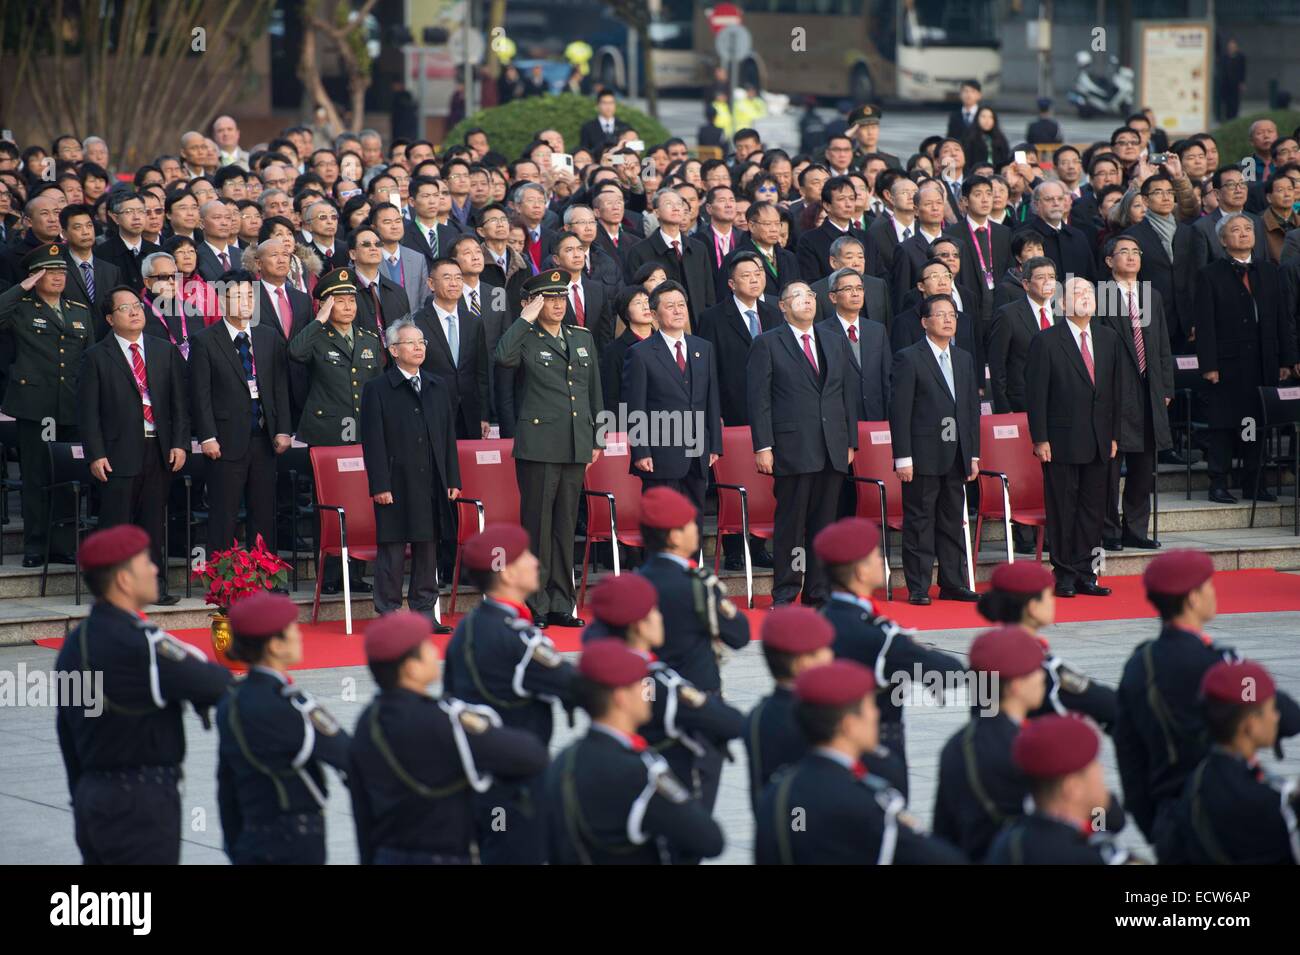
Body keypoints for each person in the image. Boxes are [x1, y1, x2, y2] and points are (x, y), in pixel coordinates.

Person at [55, 525, 231, 864]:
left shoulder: (74, 646)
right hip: (140, 803)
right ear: (123, 580)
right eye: (145, 563)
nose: (154, 569)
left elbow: (68, 733)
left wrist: (83, 796)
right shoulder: (140, 644)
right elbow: (214, 681)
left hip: (92, 798)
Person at [1115, 549, 1300, 846]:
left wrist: (1156, 828)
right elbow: (1287, 717)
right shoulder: (1221, 665)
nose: (1214, 594)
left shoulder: (1138, 665)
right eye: (1208, 586)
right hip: (1229, 811)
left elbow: (1129, 756)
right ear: (1192, 599)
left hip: (1170, 821)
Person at [349, 611, 549, 865]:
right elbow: (531, 755)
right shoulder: (444, 720)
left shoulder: (367, 723)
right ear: (411, 668)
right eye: (426, 648)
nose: (435, 653)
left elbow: (362, 812)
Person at [443, 525, 579, 864]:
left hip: (478, 781)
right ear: (505, 573)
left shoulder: (467, 628)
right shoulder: (516, 638)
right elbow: (576, 685)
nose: (536, 562)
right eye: (527, 557)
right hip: (516, 785)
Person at [755, 659, 966, 864]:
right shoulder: (868, 804)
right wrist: (912, 829)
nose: (875, 714)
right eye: (869, 707)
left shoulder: (777, 792)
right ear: (849, 725)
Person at [582, 573, 744, 831]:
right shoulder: (659, 682)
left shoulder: (596, 672)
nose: (660, 618)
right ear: (639, 626)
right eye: (654, 613)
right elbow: (732, 723)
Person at [816, 517, 964, 794]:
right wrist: (913, 648)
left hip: (827, 750)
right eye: (876, 556)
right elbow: (951, 673)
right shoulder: (876, 634)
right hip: (876, 750)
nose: (880, 561)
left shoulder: (821, 620)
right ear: (860, 572)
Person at [545, 639, 724, 864]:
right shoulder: (643, 772)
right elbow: (709, 840)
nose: (646, 691)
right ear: (621, 697)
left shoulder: (562, 763)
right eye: (640, 684)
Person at [493, 270, 603, 627]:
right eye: (549, 298)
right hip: (539, 446)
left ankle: (561, 601)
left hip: (575, 443)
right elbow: (502, 358)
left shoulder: (581, 337)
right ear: (534, 302)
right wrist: (524, 319)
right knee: (537, 525)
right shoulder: (524, 337)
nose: (557, 304)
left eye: (561, 297)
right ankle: (535, 603)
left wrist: (597, 437)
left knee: (565, 526)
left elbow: (594, 392)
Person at [216, 593, 351, 864]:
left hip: (251, 837)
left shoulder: (229, 702)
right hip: (294, 841)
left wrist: (235, 847)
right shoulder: (292, 706)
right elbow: (348, 755)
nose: (299, 635)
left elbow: (226, 788)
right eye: (292, 630)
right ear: (275, 646)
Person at [748, 281, 858, 607]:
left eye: (810, 295)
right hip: (792, 448)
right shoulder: (767, 343)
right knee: (792, 528)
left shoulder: (834, 341)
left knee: (824, 526)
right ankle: (786, 590)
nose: (807, 301)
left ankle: (818, 590)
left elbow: (847, 395)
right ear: (782, 306)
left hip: (832, 447)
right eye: (798, 296)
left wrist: (850, 441)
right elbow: (759, 400)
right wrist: (763, 445)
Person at [78, 286, 188, 605]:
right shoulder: (97, 356)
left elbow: (179, 404)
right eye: (125, 308)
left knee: (153, 522)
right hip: (117, 451)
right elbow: (88, 412)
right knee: (117, 525)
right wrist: (95, 454)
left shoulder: (163, 350)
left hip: (158, 447)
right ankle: (112, 591)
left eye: (137, 305)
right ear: (111, 319)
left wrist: (180, 443)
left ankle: (155, 586)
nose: (135, 311)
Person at [360, 317, 460, 627]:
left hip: (430, 480)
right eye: (410, 343)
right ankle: (388, 612)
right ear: (392, 350)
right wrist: (379, 484)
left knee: (427, 546)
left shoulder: (437, 385)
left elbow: (447, 438)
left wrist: (452, 479)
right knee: (391, 549)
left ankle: (424, 611)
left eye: (422, 343)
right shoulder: (378, 388)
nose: (418, 348)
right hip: (394, 480)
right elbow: (372, 441)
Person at [288, 268, 383, 594]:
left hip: (362, 434)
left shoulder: (369, 338)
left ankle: (354, 574)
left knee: (359, 502)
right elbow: (295, 354)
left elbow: (377, 385)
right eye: (339, 301)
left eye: (350, 300)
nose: (348, 306)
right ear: (325, 305)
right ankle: (327, 576)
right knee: (327, 505)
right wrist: (320, 320)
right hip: (327, 434)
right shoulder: (316, 336)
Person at [0, 244, 93, 566]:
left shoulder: (79, 309)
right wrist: (22, 287)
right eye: (49, 272)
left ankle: (63, 544)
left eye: (61, 271)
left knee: (68, 478)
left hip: (70, 404)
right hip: (35, 405)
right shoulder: (21, 307)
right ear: (34, 275)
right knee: (37, 477)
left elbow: (89, 357)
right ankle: (36, 546)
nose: (57, 277)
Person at [1026, 277, 1119, 597]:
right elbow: (1036, 395)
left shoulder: (1108, 338)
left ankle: (1087, 573)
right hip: (1060, 440)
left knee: (1095, 510)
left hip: (1099, 439)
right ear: (1062, 304)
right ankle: (1063, 574)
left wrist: (1114, 434)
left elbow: (1115, 392)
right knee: (1063, 508)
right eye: (1077, 293)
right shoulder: (1047, 341)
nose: (1085, 298)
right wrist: (1040, 438)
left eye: (1090, 293)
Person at [1194, 212, 1296, 504]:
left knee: (1256, 423)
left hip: (1263, 361)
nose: (1243, 233)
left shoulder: (1269, 271)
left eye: (1248, 228)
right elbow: (1205, 324)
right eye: (1235, 230)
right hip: (1226, 364)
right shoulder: (1210, 274)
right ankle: (1218, 482)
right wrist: (1209, 364)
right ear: (1223, 240)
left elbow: (1281, 319)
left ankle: (1254, 481)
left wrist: (1285, 360)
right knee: (1224, 424)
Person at [189, 270, 293, 552]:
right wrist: (207, 435)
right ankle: (221, 579)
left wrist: (284, 428)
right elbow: (200, 394)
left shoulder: (268, 337)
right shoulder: (205, 340)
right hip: (224, 439)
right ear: (222, 301)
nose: (246, 301)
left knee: (263, 512)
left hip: (264, 436)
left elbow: (279, 387)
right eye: (237, 296)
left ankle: (265, 574)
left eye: (250, 295)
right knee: (224, 512)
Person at [1159, 660, 1300, 864]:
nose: (1276, 717)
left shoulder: (1197, 779)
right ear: (1250, 725)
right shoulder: (1270, 802)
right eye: (1271, 709)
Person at [889, 294, 980, 604]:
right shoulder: (909, 357)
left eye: (952, 314)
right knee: (920, 522)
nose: (947, 319)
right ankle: (918, 586)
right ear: (924, 322)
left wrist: (973, 454)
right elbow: (899, 412)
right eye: (940, 314)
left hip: (957, 455)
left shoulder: (964, 358)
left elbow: (970, 410)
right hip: (922, 456)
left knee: (954, 521)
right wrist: (903, 457)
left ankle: (954, 583)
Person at [1097, 236, 1174, 550]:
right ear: (1108, 261)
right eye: (1123, 252)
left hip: (1147, 391)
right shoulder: (1100, 295)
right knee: (1109, 470)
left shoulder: (1150, 295)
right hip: (1114, 393)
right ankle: (1109, 531)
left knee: (1144, 469)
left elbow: (1162, 347)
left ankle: (1136, 529)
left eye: (1135, 252)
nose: (1130, 257)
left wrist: (1166, 388)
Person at [977, 561, 1117, 731]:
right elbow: (1108, 704)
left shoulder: (985, 652)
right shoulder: (1038, 666)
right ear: (1033, 608)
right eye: (1048, 596)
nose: (1052, 602)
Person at [624, 280, 722, 510]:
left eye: (681, 305)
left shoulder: (703, 348)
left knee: (693, 524)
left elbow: (711, 400)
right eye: (670, 306)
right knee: (662, 525)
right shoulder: (640, 354)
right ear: (655, 314)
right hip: (659, 455)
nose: (678, 310)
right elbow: (634, 407)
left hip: (698, 451)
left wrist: (715, 444)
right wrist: (641, 451)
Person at [986, 715, 1136, 864]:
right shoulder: (1086, 857)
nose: (1101, 771)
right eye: (1094, 765)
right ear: (1072, 788)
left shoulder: (1008, 843)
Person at [743, 606, 837, 814]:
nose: (830, 657)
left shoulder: (758, 714)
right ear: (802, 663)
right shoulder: (818, 718)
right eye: (823, 650)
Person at [410, 256, 489, 440]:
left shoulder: (473, 322)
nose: (454, 283)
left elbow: (481, 372)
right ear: (431, 283)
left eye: (458, 278)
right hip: (432, 411)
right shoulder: (416, 322)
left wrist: (484, 414)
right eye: (447, 278)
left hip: (470, 413)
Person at [623, 189, 716, 331]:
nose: (676, 207)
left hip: (699, 327)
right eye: (668, 204)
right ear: (656, 212)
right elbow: (634, 294)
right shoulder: (639, 251)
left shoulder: (698, 248)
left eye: (679, 204)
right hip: (658, 328)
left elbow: (709, 293)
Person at [1124, 173, 1196, 351]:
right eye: (1158, 192)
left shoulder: (1188, 232)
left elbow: (1196, 277)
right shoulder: (1133, 236)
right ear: (1145, 201)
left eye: (1170, 192)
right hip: (1150, 320)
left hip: (1187, 322)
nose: (1166, 197)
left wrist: (1196, 318)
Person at [817, 266, 891, 424]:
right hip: (839, 418)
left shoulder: (877, 330)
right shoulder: (821, 332)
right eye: (848, 289)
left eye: (859, 288)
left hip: (875, 415)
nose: (856, 293)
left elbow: (886, 378)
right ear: (833, 297)